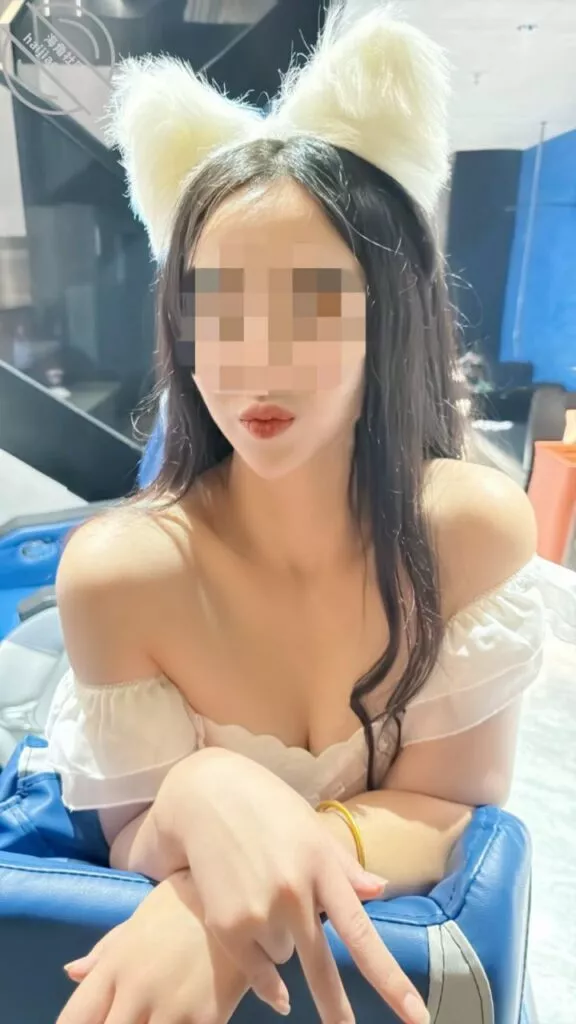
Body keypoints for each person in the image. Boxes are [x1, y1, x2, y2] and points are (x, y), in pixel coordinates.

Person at [44, 4, 575, 1024]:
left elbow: (450, 804)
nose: (258, 358)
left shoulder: (469, 535)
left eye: (312, 302)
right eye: (218, 304)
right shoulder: (119, 578)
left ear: (389, 315)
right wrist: (196, 797)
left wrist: (242, 875)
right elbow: (127, 837)